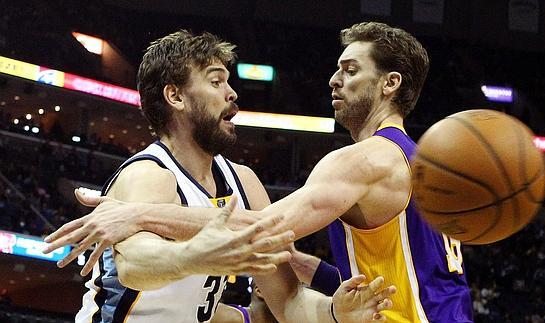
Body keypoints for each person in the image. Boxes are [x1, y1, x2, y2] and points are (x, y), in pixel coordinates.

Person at [45, 22, 468, 322]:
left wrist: (334, 313)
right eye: (215, 81)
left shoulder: (251, 182)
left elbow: (284, 292)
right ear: (174, 96)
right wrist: (194, 255)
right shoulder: (149, 174)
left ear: (390, 84)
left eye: (350, 70)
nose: (232, 93)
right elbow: (136, 266)